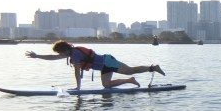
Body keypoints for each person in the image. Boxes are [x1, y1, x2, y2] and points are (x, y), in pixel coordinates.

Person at [26, 40, 166, 89]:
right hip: (105, 64)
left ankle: (153, 67)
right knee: (107, 85)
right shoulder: (71, 53)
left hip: (107, 61)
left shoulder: (74, 54)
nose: (59, 55)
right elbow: (52, 57)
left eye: (60, 53)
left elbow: (76, 71)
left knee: (130, 70)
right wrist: (37, 56)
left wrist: (78, 88)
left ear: (64, 50)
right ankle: (131, 80)